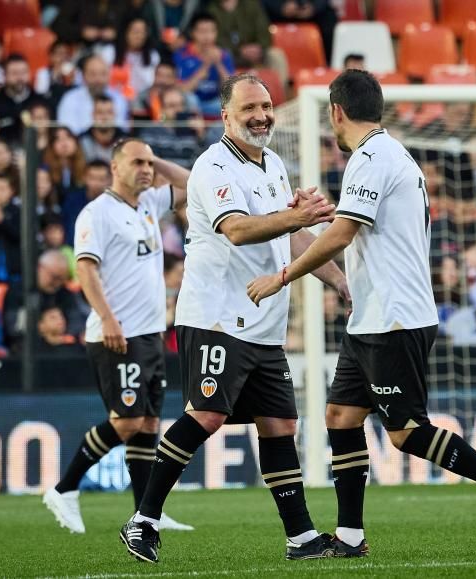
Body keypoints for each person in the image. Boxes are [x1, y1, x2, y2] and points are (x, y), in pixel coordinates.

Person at [246, 70, 476, 557]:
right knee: (340, 417)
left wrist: (282, 277)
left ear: (336, 112)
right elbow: (353, 226)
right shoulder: (384, 154)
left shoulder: (372, 158)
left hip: (396, 317)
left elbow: (343, 235)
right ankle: (350, 537)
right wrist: (314, 214)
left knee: (407, 433)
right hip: (372, 317)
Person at [120, 73, 347, 563]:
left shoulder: (273, 166)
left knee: (280, 425)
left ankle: (302, 538)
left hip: (263, 324)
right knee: (207, 415)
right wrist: (299, 218)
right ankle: (143, 521)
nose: (261, 115)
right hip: (217, 317)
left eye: (266, 106)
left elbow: (291, 238)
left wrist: (343, 283)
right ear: (226, 115)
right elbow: (240, 231)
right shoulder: (213, 167)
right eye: (249, 108)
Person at [43, 138, 193, 535]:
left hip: (150, 334)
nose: (146, 169)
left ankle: (148, 514)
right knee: (126, 422)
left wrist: (157, 159)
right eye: (137, 162)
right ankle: (63, 488)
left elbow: (193, 184)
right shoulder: (98, 213)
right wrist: (107, 318)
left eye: (149, 163)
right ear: (114, 167)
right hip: (117, 335)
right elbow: (87, 270)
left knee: (147, 424)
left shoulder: (148, 203)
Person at [3, 249, 89, 346]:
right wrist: (43, 330)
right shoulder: (19, 291)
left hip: (62, 348)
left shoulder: (64, 293)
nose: (57, 283)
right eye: (54, 277)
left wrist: (61, 334)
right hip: (27, 349)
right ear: (40, 268)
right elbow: (13, 328)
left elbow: (77, 323)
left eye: (62, 279)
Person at [174, 13, 235, 118]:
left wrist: (219, 64)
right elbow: (182, 90)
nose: (207, 36)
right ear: (193, 33)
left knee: (231, 104)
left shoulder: (224, 55)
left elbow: (230, 90)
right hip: (190, 104)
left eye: (212, 31)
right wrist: (204, 67)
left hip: (214, 103)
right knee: (190, 99)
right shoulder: (182, 54)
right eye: (202, 32)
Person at [56, 55, 130, 135]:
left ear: (109, 76)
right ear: (84, 76)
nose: (98, 79)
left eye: (103, 74)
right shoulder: (70, 99)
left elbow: (120, 132)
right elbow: (68, 133)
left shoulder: (119, 99)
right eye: (93, 74)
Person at [0, 54, 46, 146]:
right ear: (5, 75)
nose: (20, 78)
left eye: (23, 72)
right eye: (14, 73)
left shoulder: (40, 101)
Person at [79, 95, 128, 163]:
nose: (105, 117)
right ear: (93, 115)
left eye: (109, 112)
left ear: (115, 114)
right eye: (100, 112)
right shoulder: (81, 140)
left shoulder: (126, 141)